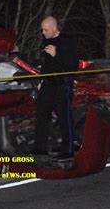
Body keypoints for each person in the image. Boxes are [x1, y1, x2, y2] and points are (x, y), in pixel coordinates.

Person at [33, 16, 79, 160]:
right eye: (42, 30)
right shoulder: (46, 41)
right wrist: (41, 79)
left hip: (62, 85)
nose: (43, 32)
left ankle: (68, 150)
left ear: (54, 28)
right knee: (41, 115)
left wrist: (56, 55)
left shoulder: (67, 42)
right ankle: (40, 149)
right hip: (48, 84)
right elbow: (46, 64)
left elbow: (72, 65)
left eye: (46, 29)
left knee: (64, 118)